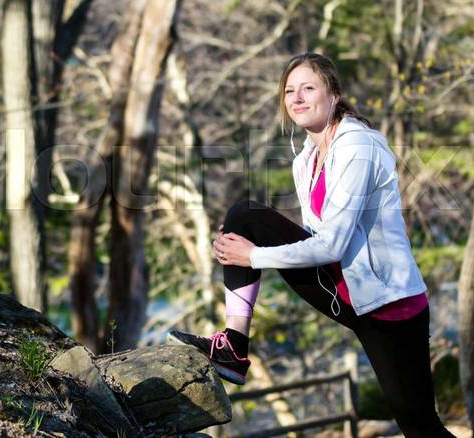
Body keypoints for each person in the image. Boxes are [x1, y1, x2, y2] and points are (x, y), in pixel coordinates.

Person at [168, 52, 454, 437]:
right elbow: (315, 234)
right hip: (343, 290)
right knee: (244, 218)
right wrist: (253, 242)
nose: (297, 98)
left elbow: (332, 245)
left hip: (390, 306)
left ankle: (234, 344)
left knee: (420, 426)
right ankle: (233, 346)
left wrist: (254, 255)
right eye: (290, 91)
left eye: (308, 88)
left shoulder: (358, 147)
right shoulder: (305, 159)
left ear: (333, 95)